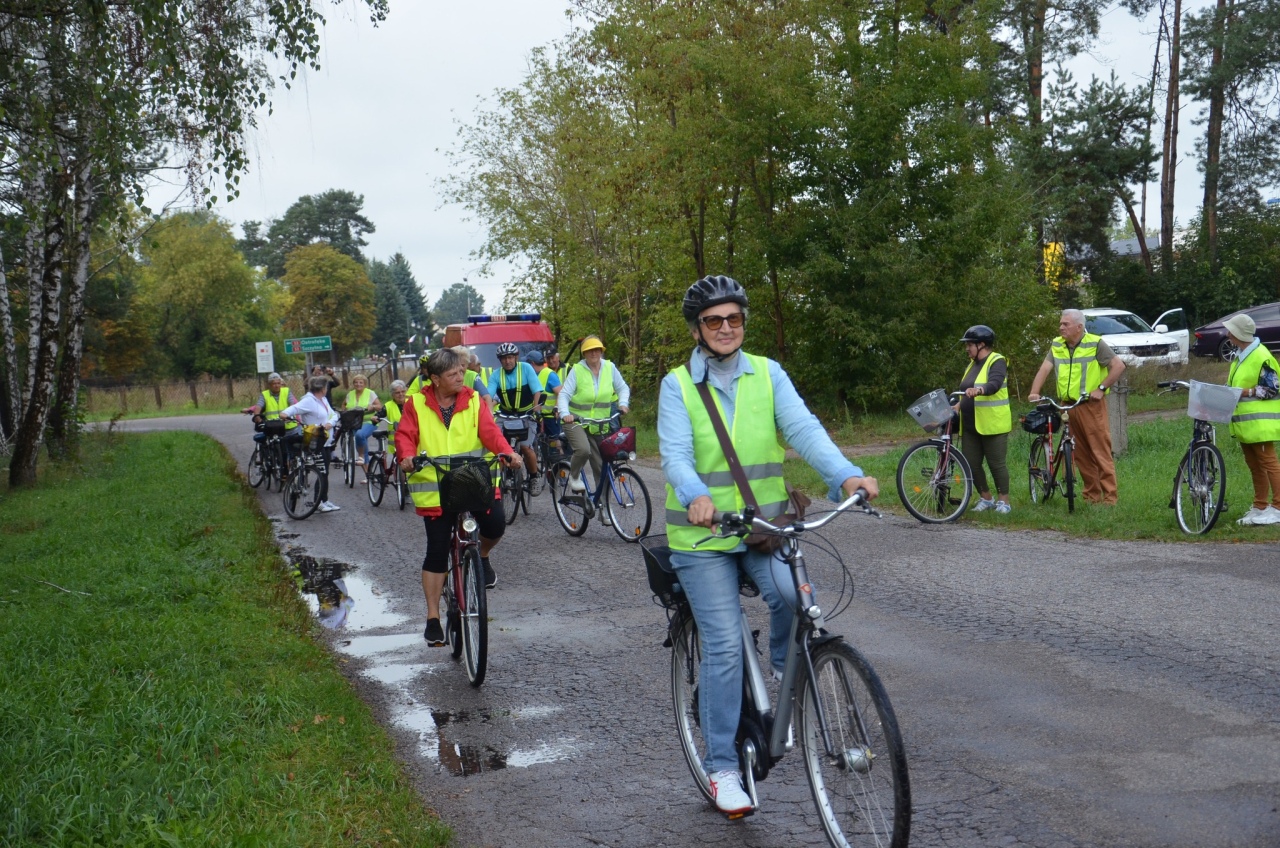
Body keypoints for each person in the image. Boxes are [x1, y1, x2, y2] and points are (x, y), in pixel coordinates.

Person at [658, 275, 877, 816]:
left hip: (764, 525)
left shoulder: (768, 374)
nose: (726, 328)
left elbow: (803, 430)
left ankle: (785, 666)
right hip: (705, 535)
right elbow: (676, 455)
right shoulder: (677, 386)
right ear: (697, 329)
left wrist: (846, 476)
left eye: (734, 318)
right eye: (714, 321)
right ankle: (722, 769)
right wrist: (695, 495)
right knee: (726, 646)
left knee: (793, 599)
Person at [395, 348, 521, 641]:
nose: (460, 378)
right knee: (437, 551)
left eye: (461, 372)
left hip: (475, 481)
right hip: (436, 489)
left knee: (496, 526)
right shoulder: (416, 403)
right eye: (453, 374)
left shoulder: (474, 399)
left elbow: (490, 432)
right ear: (435, 379)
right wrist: (407, 456)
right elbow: (405, 435)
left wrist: (506, 451)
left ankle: (484, 556)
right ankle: (433, 617)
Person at [1028, 308, 1126, 505]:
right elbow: (1044, 369)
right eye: (1061, 323)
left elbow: (1118, 366)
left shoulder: (1095, 343)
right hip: (1067, 406)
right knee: (1079, 453)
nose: (1061, 327)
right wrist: (1034, 392)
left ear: (1079, 327)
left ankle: (1110, 498)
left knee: (1100, 451)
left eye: (1066, 324)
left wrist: (1101, 388)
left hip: (1090, 405)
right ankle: (1092, 495)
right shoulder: (1057, 345)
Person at [1223, 313, 1280, 525]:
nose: (1227, 334)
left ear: (1239, 334)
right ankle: (1260, 506)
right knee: (1254, 465)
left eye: (1230, 331)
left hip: (1261, 423)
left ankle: (1278, 506)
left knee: (1268, 463)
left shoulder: (1260, 355)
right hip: (1247, 424)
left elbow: (1272, 388)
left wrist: (1243, 392)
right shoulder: (1241, 355)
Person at [557, 335, 630, 499]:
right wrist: (565, 414)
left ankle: (603, 507)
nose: (593, 353)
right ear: (584, 353)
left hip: (599, 424)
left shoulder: (610, 368)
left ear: (601, 351)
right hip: (575, 421)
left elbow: (622, 387)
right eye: (589, 351)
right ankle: (574, 476)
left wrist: (623, 403)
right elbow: (564, 395)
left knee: (601, 467)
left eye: (596, 349)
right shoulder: (577, 370)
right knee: (583, 450)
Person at [957, 325, 1012, 513]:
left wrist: (979, 390)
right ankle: (986, 497)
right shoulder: (972, 364)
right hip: (971, 424)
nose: (967, 348)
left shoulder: (997, 361)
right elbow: (965, 391)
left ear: (982, 344)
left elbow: (994, 384)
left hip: (992, 424)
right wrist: (957, 405)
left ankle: (1004, 501)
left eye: (970, 345)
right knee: (970, 463)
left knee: (996, 464)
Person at [280, 375, 342, 513]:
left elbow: (334, 415)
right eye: (326, 387)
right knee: (321, 471)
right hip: (315, 441)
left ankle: (324, 499)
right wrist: (284, 414)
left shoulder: (323, 399)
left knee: (324, 472)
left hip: (325, 441)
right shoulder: (308, 401)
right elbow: (293, 409)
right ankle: (318, 502)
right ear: (323, 388)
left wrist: (329, 424)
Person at [488, 342, 545, 478]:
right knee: (498, 449)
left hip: (526, 414)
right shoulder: (496, 375)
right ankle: (498, 483)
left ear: (516, 358)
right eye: (504, 358)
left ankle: (533, 477)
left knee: (526, 447)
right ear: (500, 360)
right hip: (505, 415)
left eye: (510, 357)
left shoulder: (526, 368)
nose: (507, 361)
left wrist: (536, 410)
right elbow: (487, 397)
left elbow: (537, 390)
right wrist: (488, 413)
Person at [241, 372, 303, 462]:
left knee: (294, 453)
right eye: (274, 384)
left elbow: (292, 404)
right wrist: (257, 418)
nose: (277, 386)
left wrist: (289, 415)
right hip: (274, 428)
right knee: (276, 451)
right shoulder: (264, 394)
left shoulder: (287, 391)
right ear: (269, 385)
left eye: (278, 383)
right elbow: (258, 406)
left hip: (289, 427)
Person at [342, 373, 383, 477]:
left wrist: (373, 406)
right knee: (360, 443)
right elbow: (344, 405)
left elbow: (380, 406)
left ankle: (361, 456)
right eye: (356, 382)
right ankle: (368, 475)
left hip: (369, 421)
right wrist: (344, 412)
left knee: (360, 435)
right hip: (354, 423)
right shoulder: (350, 394)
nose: (358, 384)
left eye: (361, 382)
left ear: (365, 384)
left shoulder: (370, 393)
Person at [528, 349, 564, 450]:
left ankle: (558, 463)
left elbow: (561, 393)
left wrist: (556, 407)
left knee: (554, 444)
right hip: (538, 417)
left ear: (532, 363)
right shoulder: (534, 375)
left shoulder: (549, 374)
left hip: (550, 418)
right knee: (542, 445)